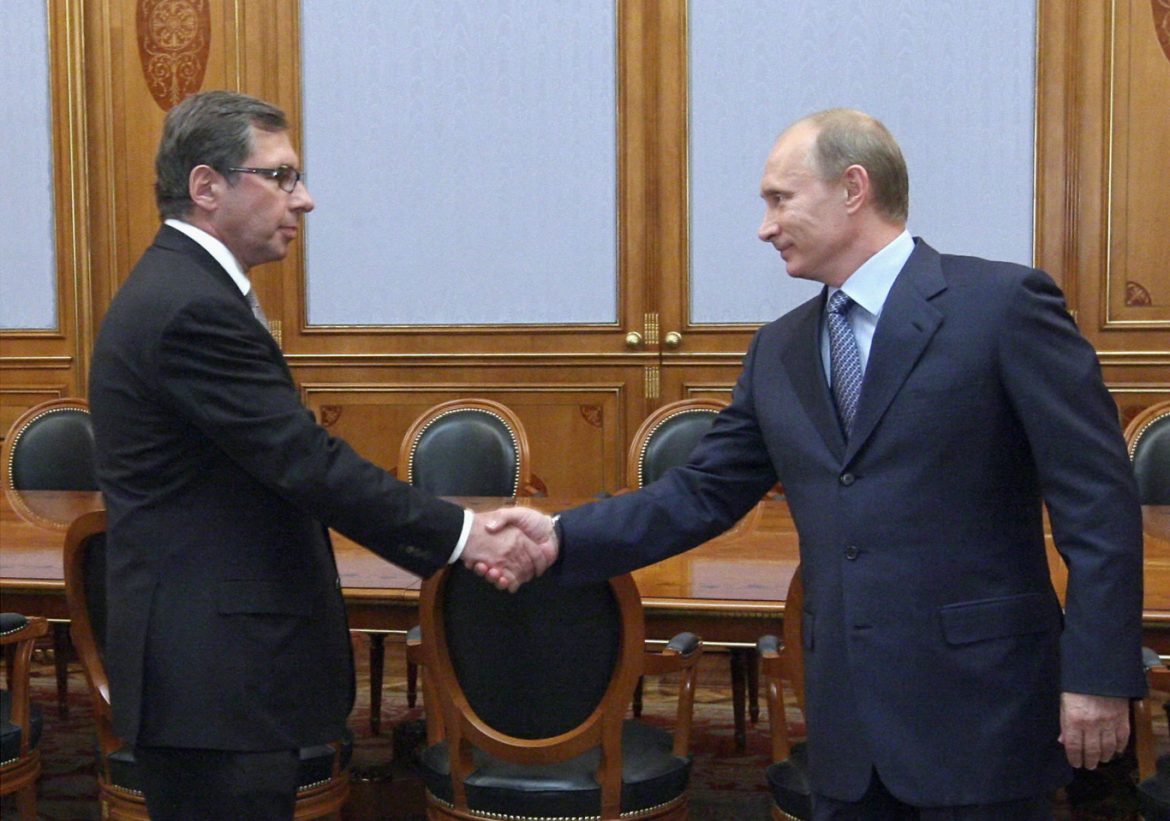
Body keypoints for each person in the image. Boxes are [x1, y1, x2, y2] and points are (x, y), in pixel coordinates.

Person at [488, 108, 1145, 819]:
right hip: (845, 722)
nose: (764, 227)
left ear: (853, 188)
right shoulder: (781, 348)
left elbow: (1098, 504)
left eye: (780, 199)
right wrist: (560, 537)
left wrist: (1099, 674)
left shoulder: (1002, 305)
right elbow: (702, 492)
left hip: (983, 708)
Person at [88, 90, 552, 819]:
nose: (303, 199)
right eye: (280, 176)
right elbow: (305, 462)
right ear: (207, 186)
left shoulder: (186, 288)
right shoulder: (188, 306)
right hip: (212, 680)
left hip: (215, 675)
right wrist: (466, 535)